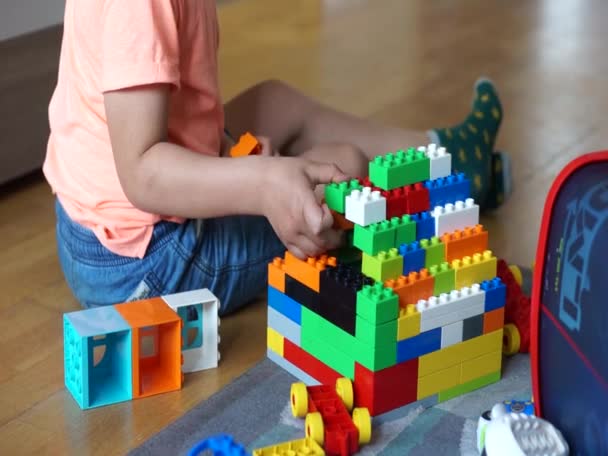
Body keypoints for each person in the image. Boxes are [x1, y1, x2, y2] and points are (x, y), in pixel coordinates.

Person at [44, 0, 510, 315]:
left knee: (275, 103)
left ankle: (447, 155)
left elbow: (159, 115)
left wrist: (228, 150)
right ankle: (445, 182)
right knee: (344, 166)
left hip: (100, 222)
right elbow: (142, 169)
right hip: (146, 259)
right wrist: (262, 181)